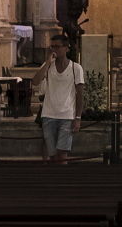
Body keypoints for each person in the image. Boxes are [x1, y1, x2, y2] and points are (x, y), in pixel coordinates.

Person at [35, 32, 85, 163]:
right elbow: (35, 81)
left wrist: (78, 118)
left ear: (66, 48)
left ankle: (61, 180)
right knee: (51, 155)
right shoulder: (48, 66)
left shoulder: (76, 68)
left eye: (57, 46)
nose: (54, 50)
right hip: (49, 114)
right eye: (52, 47)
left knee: (62, 154)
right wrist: (47, 62)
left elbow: (80, 94)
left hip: (67, 116)